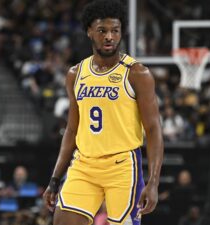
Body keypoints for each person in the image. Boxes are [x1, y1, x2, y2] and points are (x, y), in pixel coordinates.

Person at [43, 1, 164, 225]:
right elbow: (71, 129)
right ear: (89, 32)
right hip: (84, 164)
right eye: (102, 30)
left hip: (122, 166)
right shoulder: (75, 74)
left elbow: (154, 129)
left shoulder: (137, 73)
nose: (109, 36)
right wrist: (54, 179)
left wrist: (153, 182)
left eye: (114, 31)